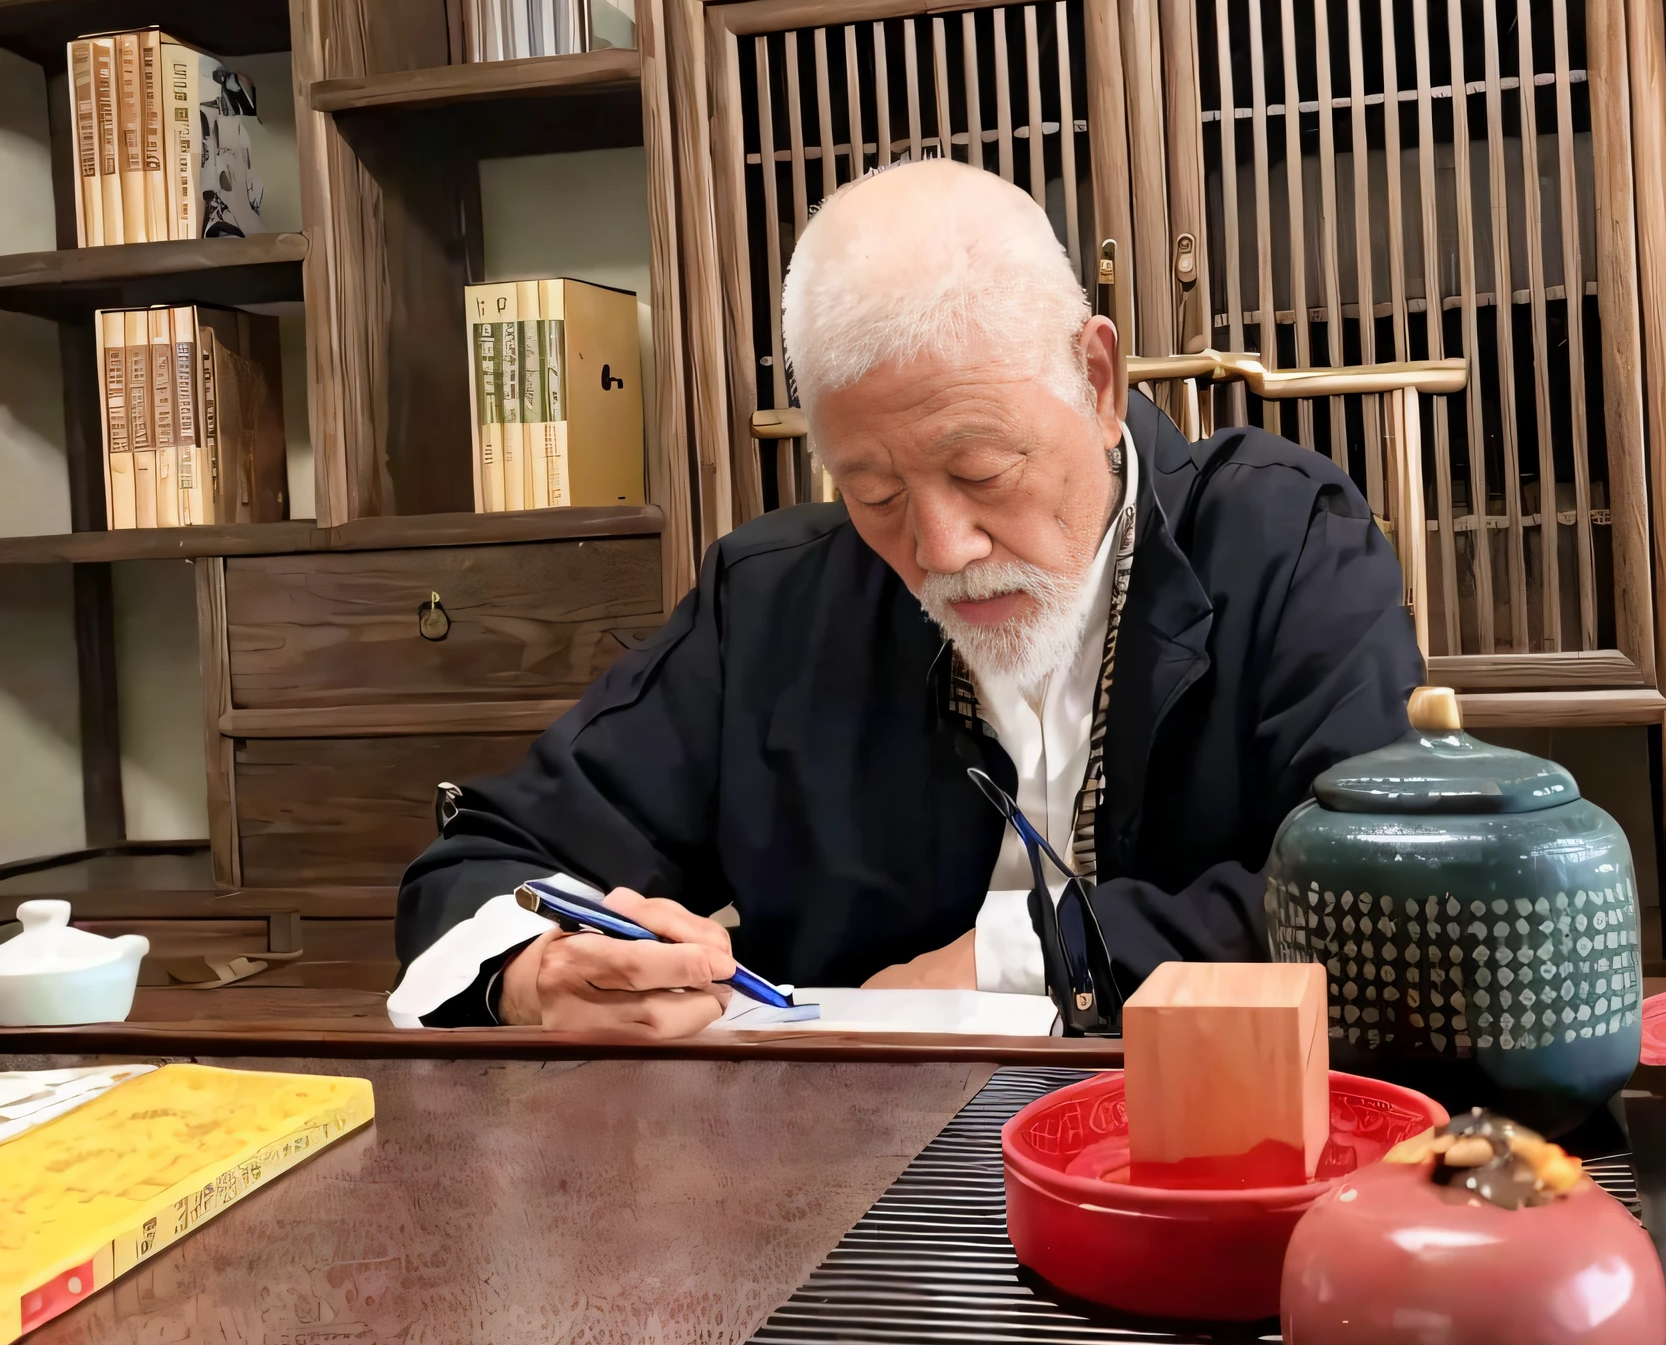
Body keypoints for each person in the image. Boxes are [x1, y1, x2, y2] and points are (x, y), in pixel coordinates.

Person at [389, 158, 1422, 1034]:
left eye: (979, 469)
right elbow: (484, 858)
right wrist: (536, 975)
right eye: (872, 492)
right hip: (846, 1189)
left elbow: (1383, 899)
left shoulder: (1282, 540)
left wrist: (1014, 958)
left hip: (1201, 1159)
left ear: (1096, 382)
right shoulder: (771, 602)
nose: (940, 548)